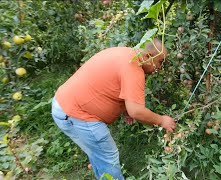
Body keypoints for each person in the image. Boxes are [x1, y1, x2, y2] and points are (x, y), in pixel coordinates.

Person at [51, 38, 176, 180]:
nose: (160, 67)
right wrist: (162, 120)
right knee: (107, 157)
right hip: (76, 114)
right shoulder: (133, 68)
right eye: (160, 62)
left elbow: (110, 85)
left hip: (65, 105)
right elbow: (136, 111)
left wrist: (125, 109)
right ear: (148, 56)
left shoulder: (126, 54)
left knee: (100, 157)